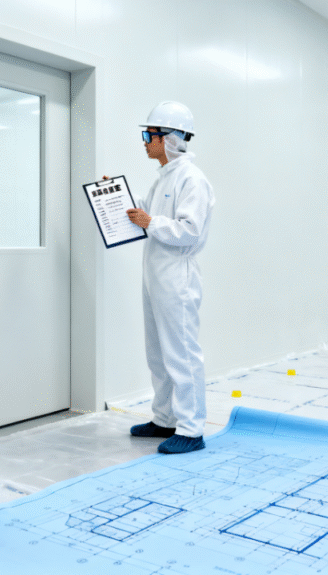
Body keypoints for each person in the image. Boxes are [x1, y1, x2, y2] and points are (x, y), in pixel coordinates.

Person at [126, 101, 215, 454]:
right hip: (156, 275)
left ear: (172, 139)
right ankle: (164, 419)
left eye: (150, 134)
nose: (146, 141)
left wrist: (150, 222)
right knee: (157, 353)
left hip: (177, 277)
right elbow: (143, 215)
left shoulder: (192, 180)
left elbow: (190, 231)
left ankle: (191, 430)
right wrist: (115, 197)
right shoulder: (164, 178)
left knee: (182, 354)